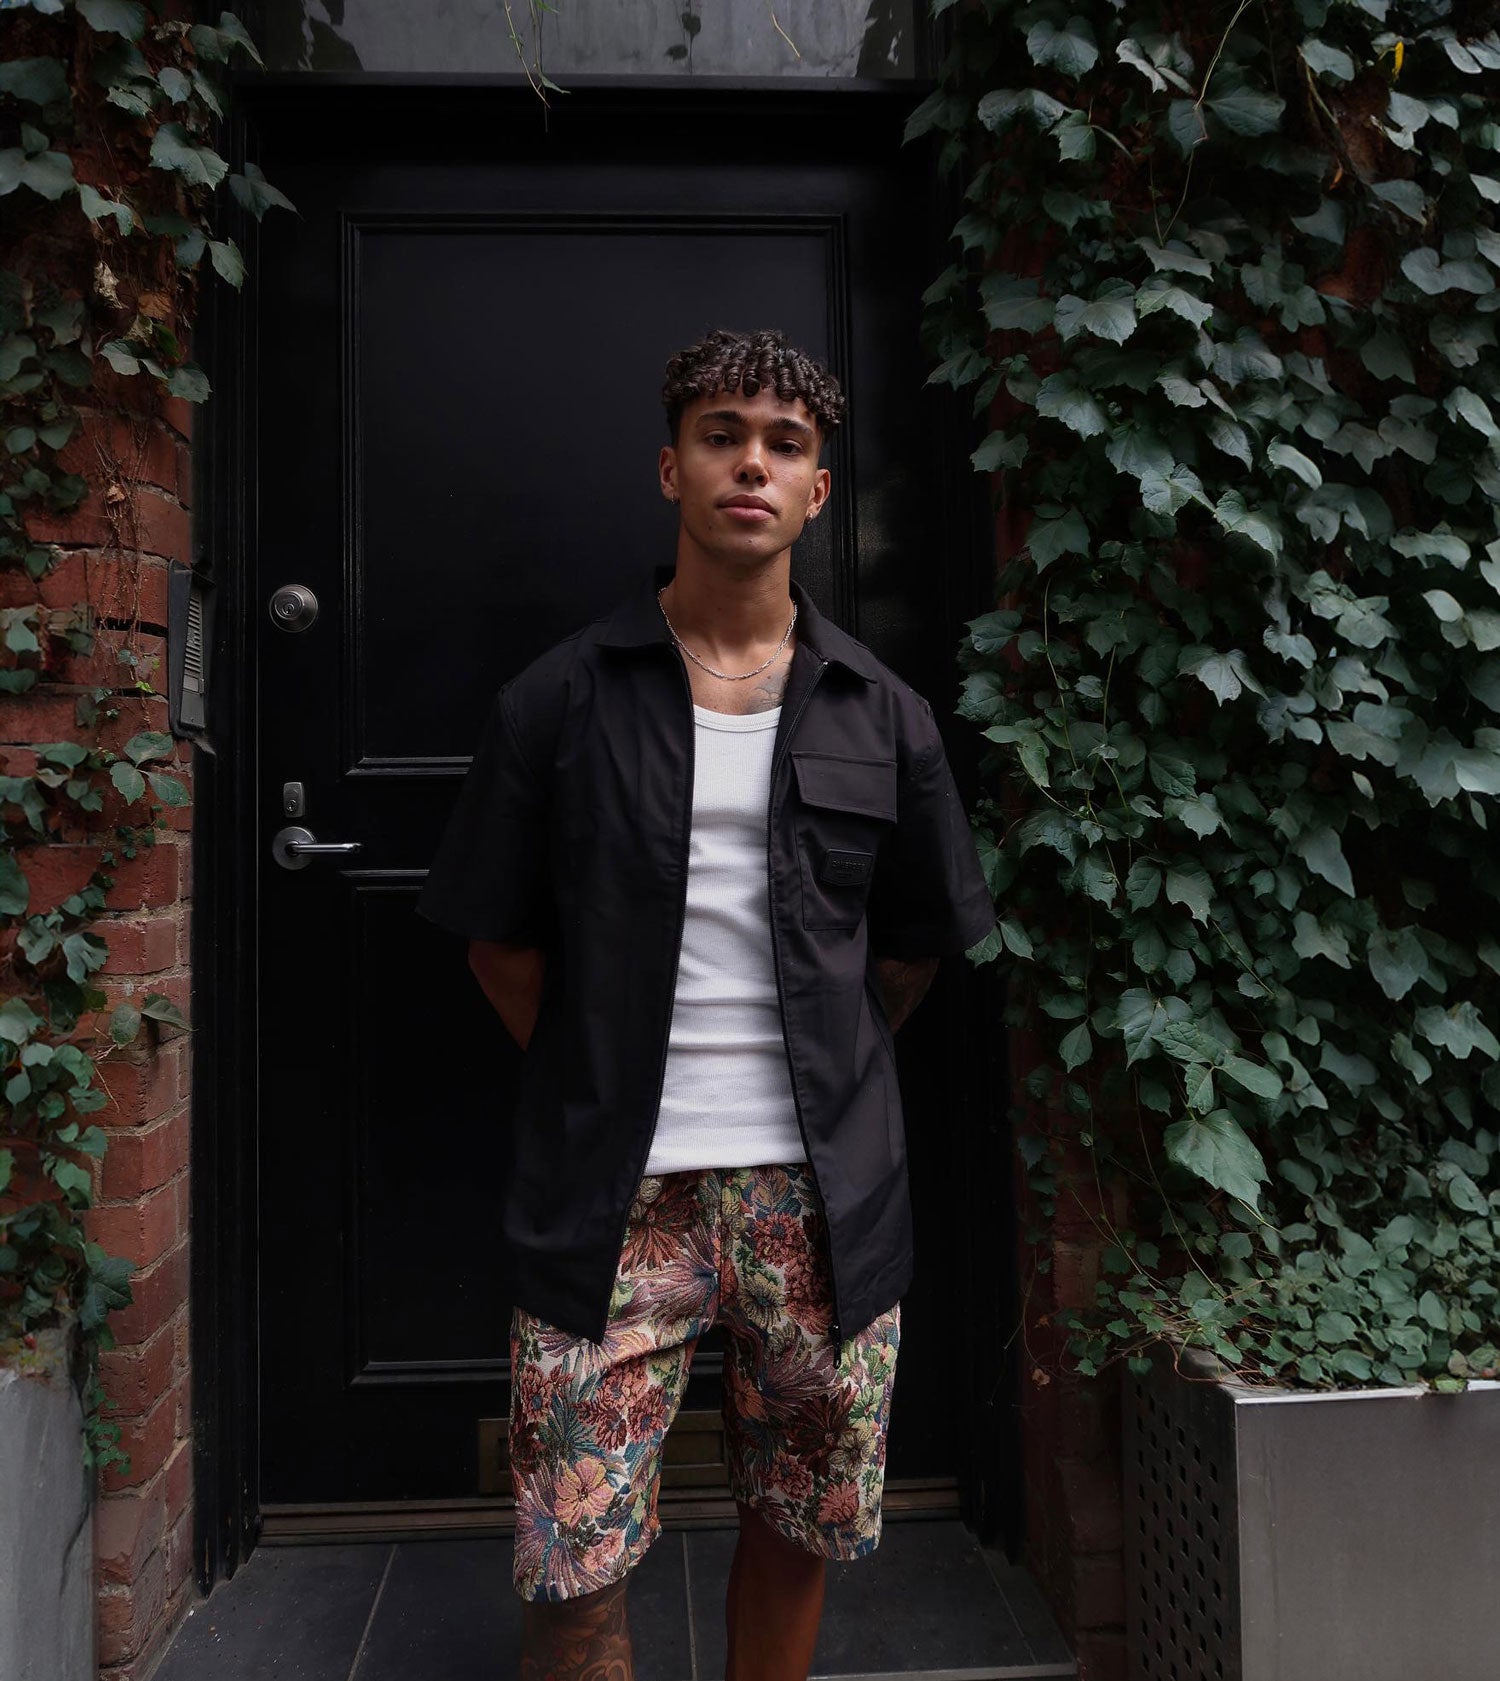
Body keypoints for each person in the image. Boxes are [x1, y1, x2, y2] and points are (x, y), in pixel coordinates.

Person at [417, 327, 994, 1681]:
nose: (752, 464)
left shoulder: (885, 715)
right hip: (610, 1202)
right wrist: (604, 1075)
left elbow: (911, 949)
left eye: (785, 445)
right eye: (722, 435)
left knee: (799, 1527)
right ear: (669, 468)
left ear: (817, 491)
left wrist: (826, 1074)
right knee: (573, 1557)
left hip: (823, 1204)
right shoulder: (560, 698)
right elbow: (496, 942)